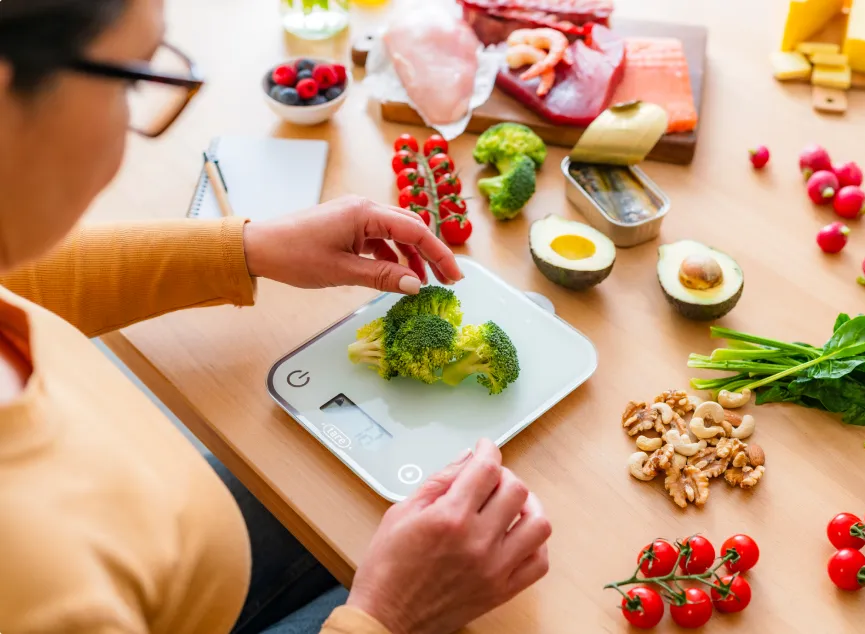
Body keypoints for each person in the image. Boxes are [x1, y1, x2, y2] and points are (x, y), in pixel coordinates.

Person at [0, 1, 552, 633]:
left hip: (158, 533)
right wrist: (389, 616)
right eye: (131, 79)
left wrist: (248, 248)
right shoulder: (38, 592)